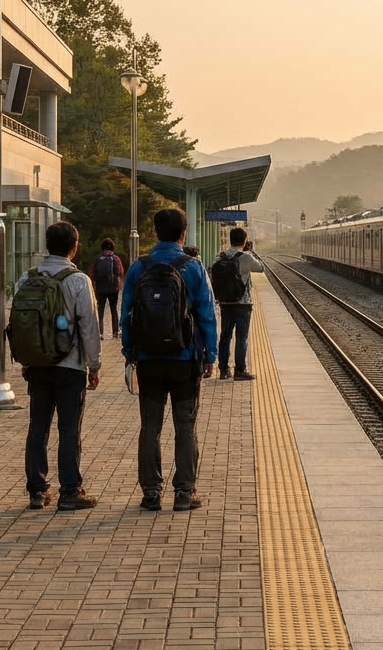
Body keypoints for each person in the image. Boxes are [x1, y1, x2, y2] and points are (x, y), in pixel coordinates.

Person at [121, 207, 217, 513]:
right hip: (185, 358)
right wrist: (210, 356)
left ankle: (151, 492)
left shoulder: (139, 267)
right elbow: (206, 315)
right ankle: (184, 493)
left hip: (148, 359)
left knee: (150, 426)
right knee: (185, 426)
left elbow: (126, 316)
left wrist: (129, 352)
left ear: (155, 231)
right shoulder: (193, 267)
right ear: (183, 233)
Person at [14, 221, 102, 512]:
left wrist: (26, 359)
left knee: (37, 426)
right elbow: (89, 326)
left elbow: (19, 325)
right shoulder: (78, 281)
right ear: (74, 247)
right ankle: (69, 491)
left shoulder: (27, 278)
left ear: (46, 244)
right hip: (71, 366)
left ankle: (37, 492)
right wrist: (94, 364)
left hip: (37, 365)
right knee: (68, 429)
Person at [213, 227, 264, 380]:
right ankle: (240, 370)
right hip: (243, 304)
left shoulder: (220, 256)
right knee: (242, 337)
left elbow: (212, 271)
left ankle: (223, 369)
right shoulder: (246, 257)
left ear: (230, 239)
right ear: (244, 240)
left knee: (225, 336)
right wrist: (250, 251)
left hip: (225, 303)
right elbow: (261, 268)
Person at [88, 238, 124, 340]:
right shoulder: (116, 259)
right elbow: (120, 272)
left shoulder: (97, 259)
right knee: (113, 309)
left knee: (100, 309)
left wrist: (94, 285)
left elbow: (91, 273)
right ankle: (115, 333)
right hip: (113, 288)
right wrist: (119, 284)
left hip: (100, 288)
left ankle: (100, 333)